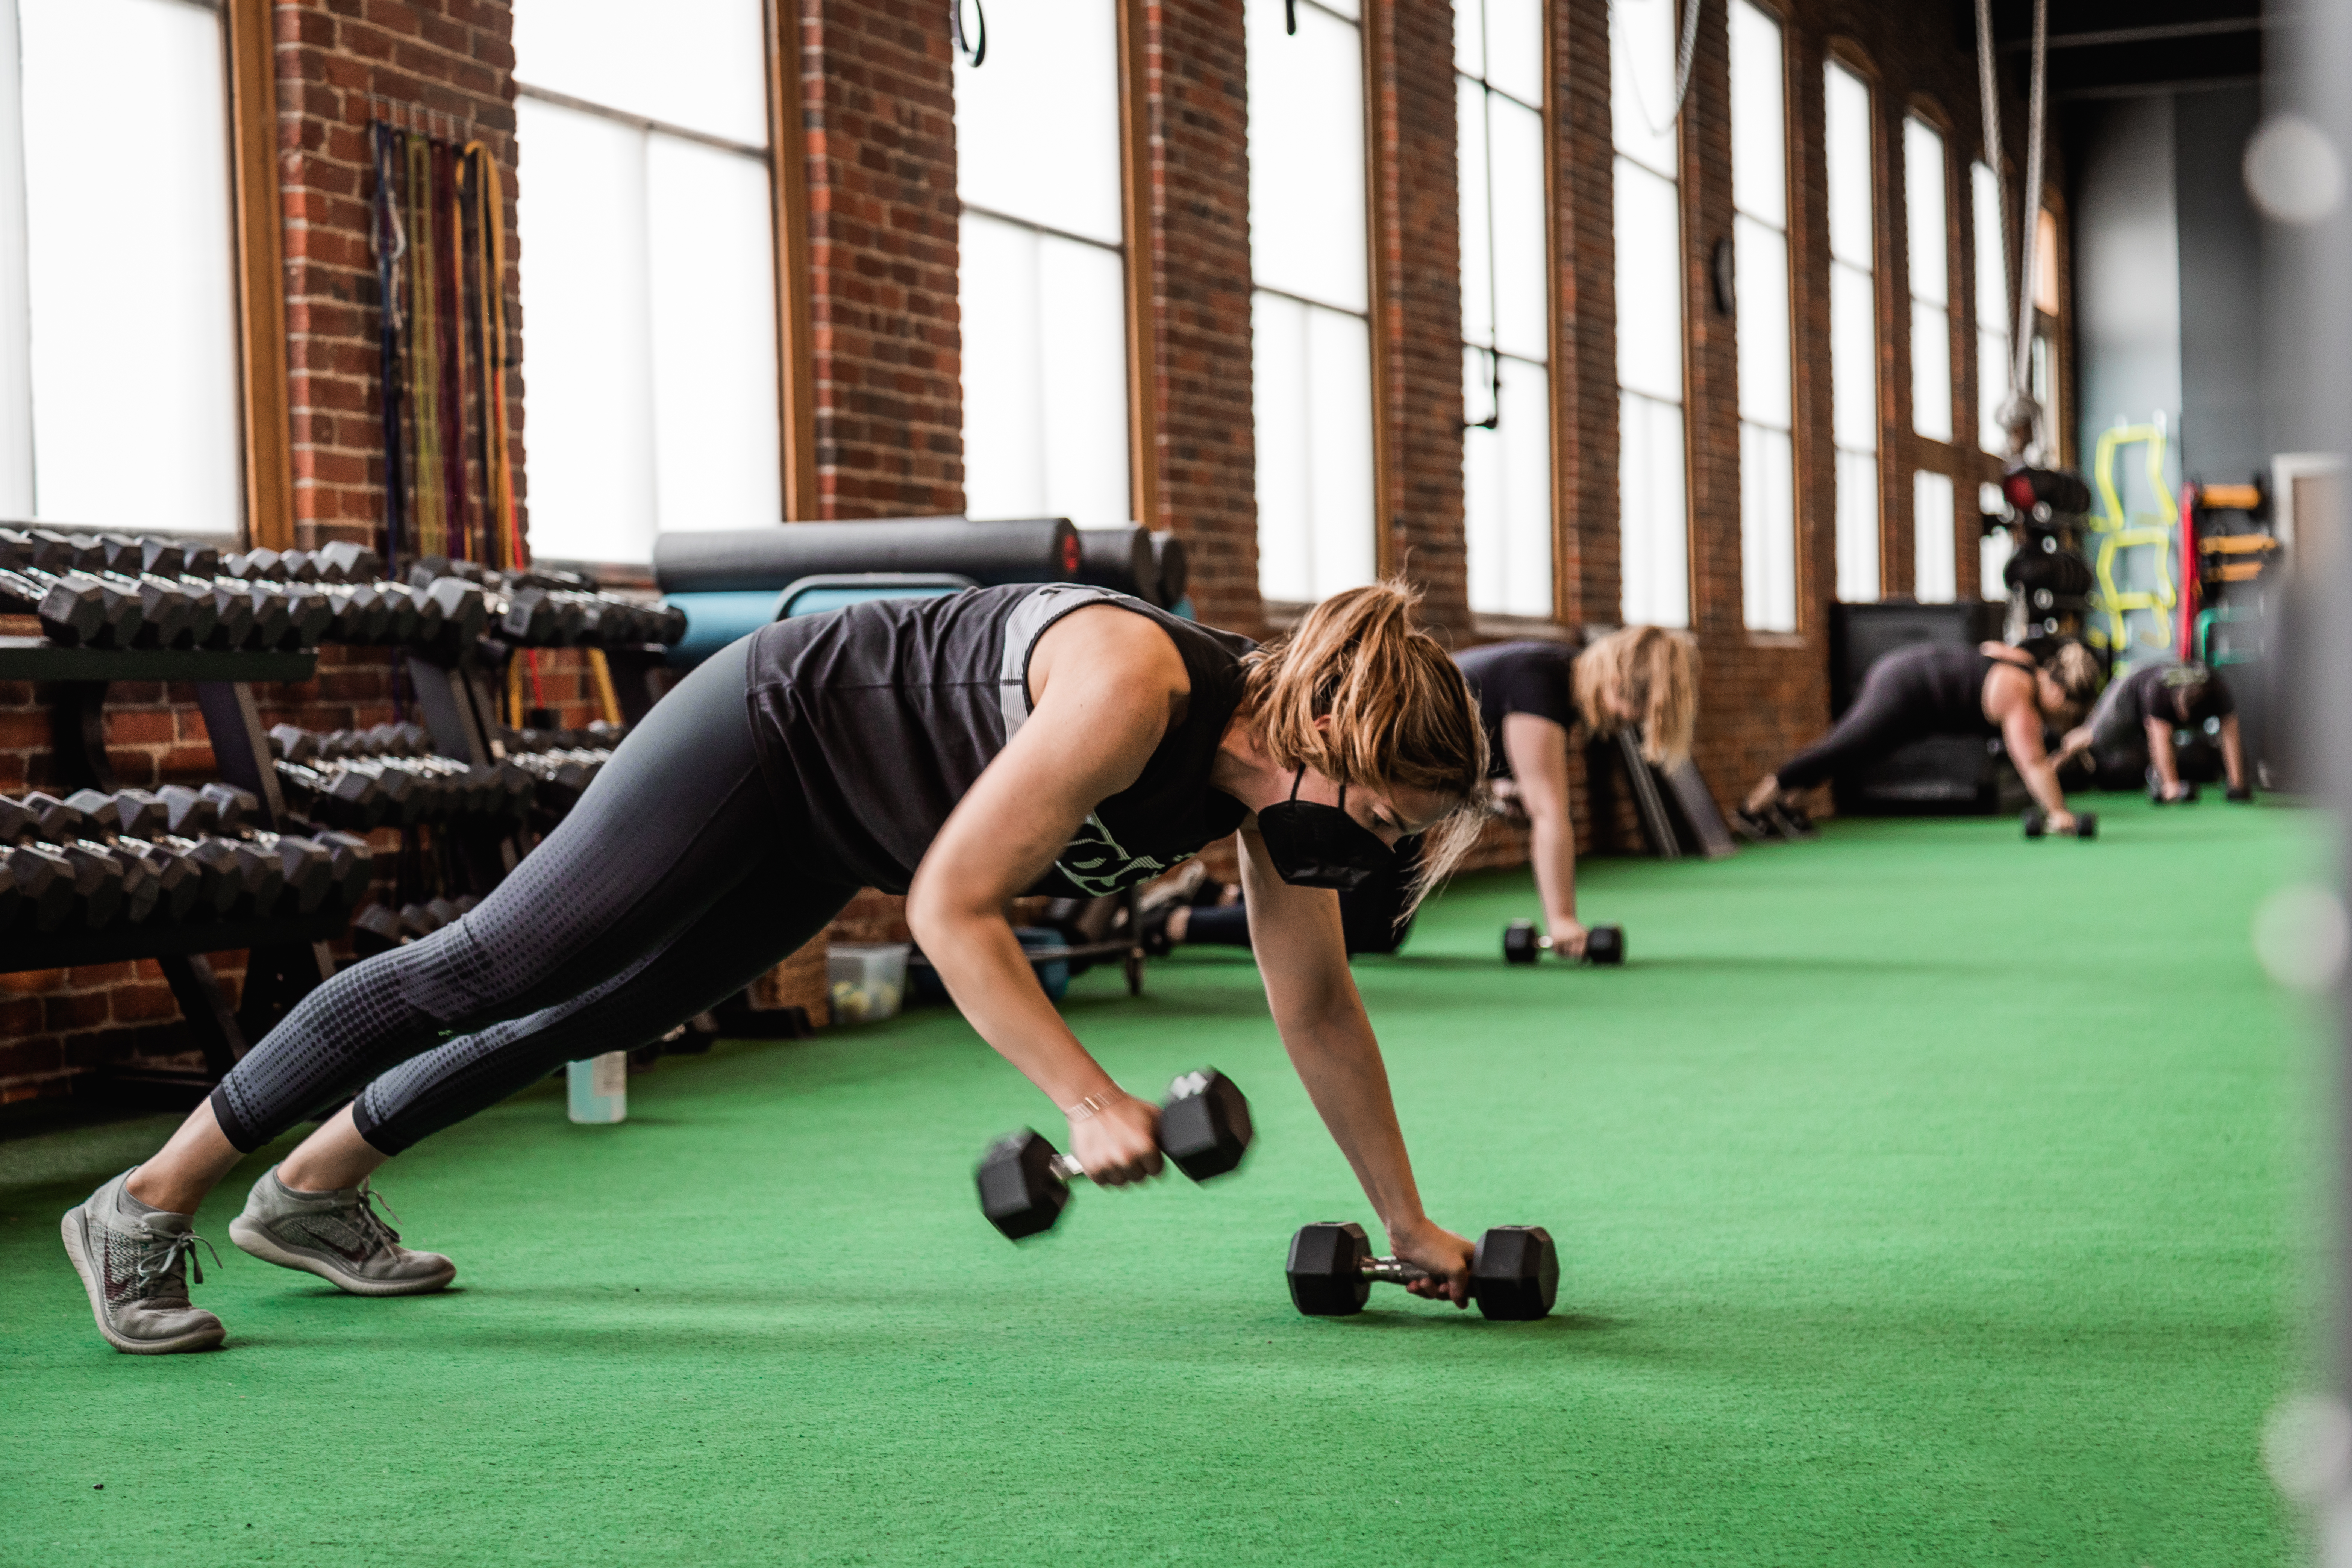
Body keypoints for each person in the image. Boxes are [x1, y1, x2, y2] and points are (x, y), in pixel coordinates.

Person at [62, 580, 1494, 1354]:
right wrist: (1083, 1095)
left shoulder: (1265, 811)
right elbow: (951, 907)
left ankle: (310, 1194)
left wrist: (1408, 1223)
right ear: (1321, 734)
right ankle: (140, 1202)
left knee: (608, 1008)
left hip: (837, 826)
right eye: (1371, 818)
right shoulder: (1135, 687)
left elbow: (1314, 1006)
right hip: (765, 729)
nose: (1360, 854)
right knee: (495, 962)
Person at [1149, 627, 1699, 960]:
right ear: (1624, 681)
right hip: (1374, 791)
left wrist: (1491, 793)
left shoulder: (1554, 678)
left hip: (1405, 807)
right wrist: (1562, 921)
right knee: (1335, 935)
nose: (1631, 721)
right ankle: (1170, 924)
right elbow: (1551, 810)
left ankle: (1212, 897)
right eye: (1640, 707)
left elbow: (1470, 777)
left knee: (1381, 935)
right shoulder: (1544, 682)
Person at [1741, 639, 2103, 835]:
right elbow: (2032, 762)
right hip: (1905, 686)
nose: (2062, 721)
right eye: (2068, 712)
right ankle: (1753, 807)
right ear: (2057, 694)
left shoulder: (2023, 661)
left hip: (1913, 680)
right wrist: (2059, 814)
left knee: (1857, 752)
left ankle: (1790, 806)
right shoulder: (2018, 694)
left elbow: (1986, 650)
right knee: (1844, 745)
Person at [2051, 657, 2251, 801]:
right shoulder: (2159, 693)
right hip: (2133, 687)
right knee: (2093, 736)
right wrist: (2171, 785)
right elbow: (2160, 741)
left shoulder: (2220, 689)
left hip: (2161, 687)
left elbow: (2231, 737)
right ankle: (2052, 766)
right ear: (2177, 703)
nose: (2181, 720)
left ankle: (2159, 775)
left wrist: (2237, 784)